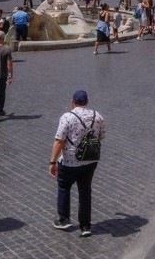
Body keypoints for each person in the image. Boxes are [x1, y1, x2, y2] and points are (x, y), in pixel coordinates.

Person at [49, 89, 104, 238]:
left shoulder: (67, 117)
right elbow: (101, 136)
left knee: (64, 186)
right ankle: (85, 225)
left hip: (70, 161)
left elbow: (59, 140)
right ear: (87, 102)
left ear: (73, 102)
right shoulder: (97, 116)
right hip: (90, 161)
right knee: (85, 191)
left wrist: (52, 162)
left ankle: (63, 218)